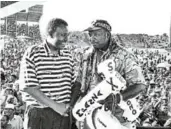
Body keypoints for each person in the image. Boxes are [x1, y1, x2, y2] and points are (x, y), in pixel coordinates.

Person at [77, 20, 146, 129]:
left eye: (96, 34)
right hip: (90, 115)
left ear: (107, 35)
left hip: (116, 119)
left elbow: (140, 85)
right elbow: (79, 82)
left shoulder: (124, 56)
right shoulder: (87, 55)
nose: (92, 37)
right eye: (90, 34)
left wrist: (118, 97)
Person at [19, 17, 81, 129]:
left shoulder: (68, 55)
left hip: (62, 114)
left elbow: (72, 85)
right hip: (39, 114)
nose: (66, 39)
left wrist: (69, 106)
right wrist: (56, 106)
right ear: (49, 34)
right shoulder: (33, 52)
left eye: (67, 35)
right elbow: (29, 87)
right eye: (61, 35)